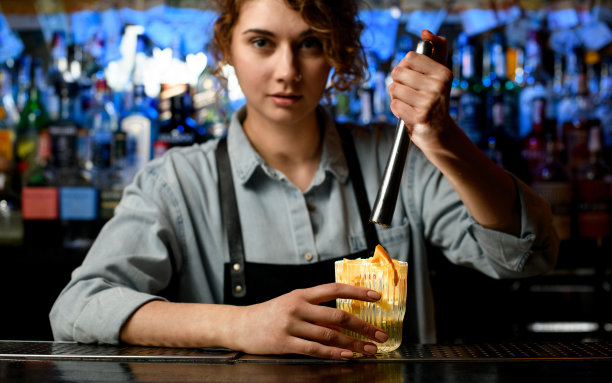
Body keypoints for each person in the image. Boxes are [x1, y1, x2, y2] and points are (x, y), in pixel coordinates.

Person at [50, 0, 559, 360]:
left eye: (310, 43)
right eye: (262, 43)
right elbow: (78, 308)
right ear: (227, 48)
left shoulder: (395, 157)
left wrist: (443, 137)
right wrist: (240, 325)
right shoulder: (177, 182)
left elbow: (524, 255)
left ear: (336, 54)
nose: (287, 70)